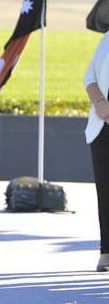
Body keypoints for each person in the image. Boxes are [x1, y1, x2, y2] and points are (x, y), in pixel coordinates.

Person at [84, 31, 109, 272]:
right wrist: (101, 104)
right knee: (106, 191)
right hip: (102, 126)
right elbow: (89, 76)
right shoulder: (107, 38)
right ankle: (106, 251)